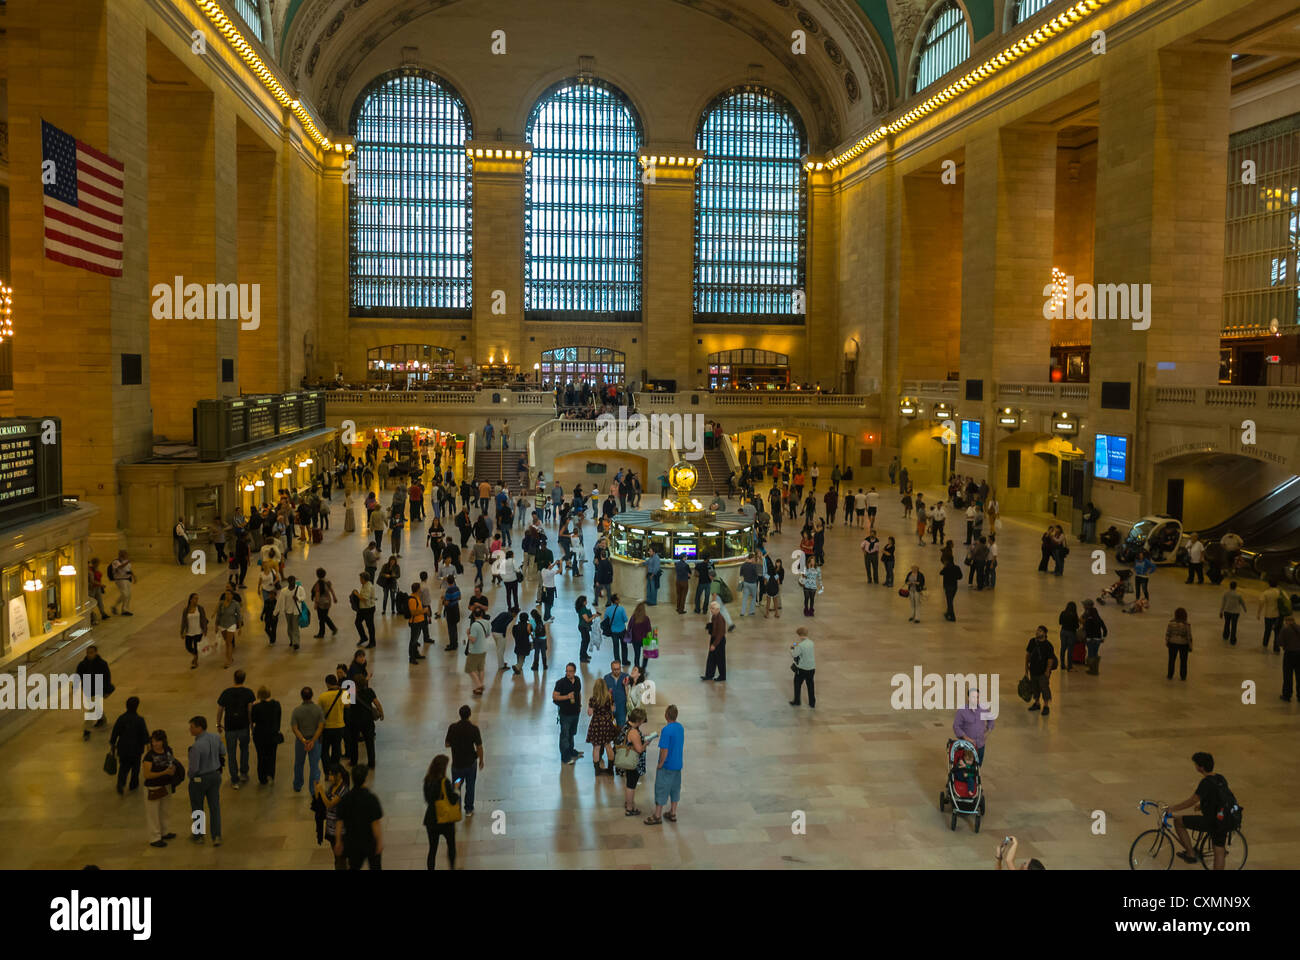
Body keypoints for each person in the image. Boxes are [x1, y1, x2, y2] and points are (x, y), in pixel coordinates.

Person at [1164, 752, 1234, 870]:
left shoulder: (1206, 782)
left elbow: (1192, 800)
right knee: (1219, 850)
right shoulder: (1220, 778)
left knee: (1179, 822)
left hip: (1212, 821)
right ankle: (1192, 852)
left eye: (1195, 764)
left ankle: (1190, 854)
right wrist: (1202, 806)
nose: (1195, 766)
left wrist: (1173, 808)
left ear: (1200, 767)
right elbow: (1220, 798)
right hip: (1224, 819)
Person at [334, 763, 383, 870]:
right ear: (365, 779)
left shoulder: (346, 799)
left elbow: (339, 822)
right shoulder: (371, 798)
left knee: (354, 866)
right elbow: (375, 823)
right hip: (369, 842)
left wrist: (338, 841)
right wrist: (379, 841)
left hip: (352, 842)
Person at [186, 716, 226, 846]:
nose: (190, 730)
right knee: (214, 807)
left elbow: (194, 768)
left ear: (199, 728)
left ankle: (198, 836)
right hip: (215, 776)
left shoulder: (196, 747)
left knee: (198, 807)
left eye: (192, 727)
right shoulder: (215, 737)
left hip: (200, 779)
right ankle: (217, 836)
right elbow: (223, 751)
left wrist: (189, 776)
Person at [644, 704, 684, 826]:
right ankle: (672, 812)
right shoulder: (680, 727)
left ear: (666, 715)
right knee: (675, 789)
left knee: (661, 788)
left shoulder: (666, 730)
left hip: (667, 765)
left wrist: (660, 764)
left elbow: (664, 750)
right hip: (678, 765)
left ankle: (657, 815)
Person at [216, 670, 255, 789]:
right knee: (244, 750)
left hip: (230, 727)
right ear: (244, 678)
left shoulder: (226, 692)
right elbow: (250, 710)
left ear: (234, 678)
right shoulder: (248, 693)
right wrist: (251, 724)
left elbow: (220, 709)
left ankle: (234, 780)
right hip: (243, 726)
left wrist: (218, 724)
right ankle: (244, 773)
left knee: (231, 753)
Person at [142, 730, 179, 848]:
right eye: (153, 741)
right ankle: (155, 838)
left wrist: (173, 770)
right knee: (153, 813)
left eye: (157, 741)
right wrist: (164, 772)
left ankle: (165, 831)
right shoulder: (148, 757)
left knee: (165, 810)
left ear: (163, 741)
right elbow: (147, 775)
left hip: (166, 785)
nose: (155, 744)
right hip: (153, 787)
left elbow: (172, 762)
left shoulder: (168, 750)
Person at [445, 705, 484, 816]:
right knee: (470, 786)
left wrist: (456, 744)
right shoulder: (474, 729)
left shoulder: (453, 727)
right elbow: (479, 747)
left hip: (457, 766)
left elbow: (447, 744)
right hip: (470, 765)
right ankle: (468, 809)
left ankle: (456, 808)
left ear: (459, 714)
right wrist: (481, 760)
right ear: (469, 715)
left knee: (457, 786)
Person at [423, 754, 460, 870]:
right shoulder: (445, 782)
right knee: (451, 846)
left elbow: (427, 799)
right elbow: (453, 799)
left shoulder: (427, 780)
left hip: (431, 819)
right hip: (445, 820)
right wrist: (456, 789)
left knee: (432, 849)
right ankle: (452, 867)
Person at [109, 696, 149, 795]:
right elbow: (144, 734)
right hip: (136, 750)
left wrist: (113, 743)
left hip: (123, 748)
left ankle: (121, 783)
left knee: (123, 767)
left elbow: (115, 733)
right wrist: (147, 743)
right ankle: (133, 784)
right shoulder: (139, 720)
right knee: (135, 768)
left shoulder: (121, 718)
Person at [291, 686, 325, 795]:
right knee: (314, 765)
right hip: (315, 741)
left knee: (299, 764)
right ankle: (313, 789)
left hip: (301, 742)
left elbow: (294, 728)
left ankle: (297, 785)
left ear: (301, 696)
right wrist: (312, 741)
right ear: (312, 695)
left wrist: (303, 740)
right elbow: (320, 727)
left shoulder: (297, 711)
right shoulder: (318, 709)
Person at [315, 764, 350, 868]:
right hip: (331, 829)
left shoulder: (343, 789)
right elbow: (323, 801)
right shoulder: (332, 787)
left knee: (341, 860)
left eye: (331, 775)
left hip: (340, 831)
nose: (329, 777)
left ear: (338, 775)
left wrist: (321, 791)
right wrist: (317, 791)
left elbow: (329, 804)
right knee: (337, 858)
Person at [346, 674, 383, 768]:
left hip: (354, 721)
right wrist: (381, 713)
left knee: (353, 742)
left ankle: (354, 761)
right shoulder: (369, 691)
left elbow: (346, 705)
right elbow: (377, 703)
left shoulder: (352, 693)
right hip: (368, 721)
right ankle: (371, 763)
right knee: (370, 742)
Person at [76, 645, 113, 740]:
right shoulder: (83, 664)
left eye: (91, 652)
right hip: (88, 690)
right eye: (88, 653)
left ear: (96, 652)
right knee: (95, 706)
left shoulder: (102, 664)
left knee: (91, 709)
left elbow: (107, 677)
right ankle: (102, 719)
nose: (89, 655)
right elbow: (78, 676)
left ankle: (86, 729)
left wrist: (107, 690)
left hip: (98, 690)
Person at [618, 708, 650, 817]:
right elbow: (639, 749)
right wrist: (646, 743)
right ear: (638, 720)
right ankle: (630, 808)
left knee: (629, 783)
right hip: (633, 763)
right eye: (642, 720)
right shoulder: (634, 732)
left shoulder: (627, 725)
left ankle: (628, 803)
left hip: (628, 761)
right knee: (631, 785)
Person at [586, 676, 619, 776]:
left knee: (596, 747)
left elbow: (589, 713)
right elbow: (613, 710)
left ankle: (597, 770)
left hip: (597, 724)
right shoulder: (609, 697)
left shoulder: (593, 699)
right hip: (607, 723)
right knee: (608, 746)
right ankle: (610, 769)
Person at [552, 663, 584, 765]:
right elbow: (555, 697)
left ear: (574, 672)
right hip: (565, 714)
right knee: (565, 735)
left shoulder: (577, 680)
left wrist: (579, 704)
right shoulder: (561, 683)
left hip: (575, 712)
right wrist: (567, 696)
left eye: (570, 671)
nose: (568, 673)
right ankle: (565, 757)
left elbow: (579, 693)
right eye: (567, 671)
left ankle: (571, 751)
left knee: (572, 733)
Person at [250, 686, 281, 785]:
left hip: (260, 735)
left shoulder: (256, 707)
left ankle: (262, 777)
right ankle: (271, 773)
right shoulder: (276, 704)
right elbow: (279, 718)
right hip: (273, 734)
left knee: (261, 755)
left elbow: (253, 720)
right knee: (272, 754)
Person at [952, 689, 993, 764]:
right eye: (973, 697)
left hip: (980, 745)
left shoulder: (983, 709)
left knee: (978, 767)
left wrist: (988, 731)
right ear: (969, 698)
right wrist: (966, 738)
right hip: (967, 747)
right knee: (967, 769)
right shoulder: (962, 711)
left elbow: (991, 719)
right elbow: (956, 726)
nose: (976, 699)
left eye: (977, 697)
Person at [1025, 625, 1057, 716]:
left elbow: (1050, 659)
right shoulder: (1032, 642)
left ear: (1045, 633)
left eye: (1040, 631)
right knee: (1035, 687)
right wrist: (1026, 668)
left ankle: (1046, 706)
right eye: (1037, 630)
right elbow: (1027, 655)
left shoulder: (1048, 645)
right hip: (1033, 670)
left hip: (1043, 672)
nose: (1037, 632)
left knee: (1044, 688)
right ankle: (1037, 703)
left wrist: (1047, 671)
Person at [318, 675, 348, 765]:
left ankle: (327, 770)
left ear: (327, 684)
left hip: (327, 727)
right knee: (336, 748)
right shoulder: (344, 693)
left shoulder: (322, 696)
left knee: (325, 750)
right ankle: (335, 769)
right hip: (339, 726)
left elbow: (319, 712)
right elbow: (348, 705)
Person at [214, 585, 242, 669]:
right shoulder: (221, 604)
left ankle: (228, 660)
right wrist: (216, 625)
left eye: (229, 594)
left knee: (228, 643)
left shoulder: (235, 604)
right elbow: (218, 615)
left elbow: (239, 616)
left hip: (231, 625)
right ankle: (230, 658)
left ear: (232, 596)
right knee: (226, 641)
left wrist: (240, 628)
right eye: (226, 594)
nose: (227, 596)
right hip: (222, 624)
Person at [465, 608, 491, 694]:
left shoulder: (474, 625)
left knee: (469, 669)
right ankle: (479, 687)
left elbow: (473, 640)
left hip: (475, 650)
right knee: (481, 668)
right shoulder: (487, 622)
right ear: (482, 614)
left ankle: (479, 685)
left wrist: (468, 634)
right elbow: (487, 635)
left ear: (473, 615)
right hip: (483, 649)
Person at [179, 593, 208, 670]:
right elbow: (183, 621)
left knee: (196, 647)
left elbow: (204, 619)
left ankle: (195, 662)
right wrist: (182, 632)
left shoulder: (200, 608)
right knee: (188, 647)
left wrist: (205, 630)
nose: (196, 600)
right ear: (191, 599)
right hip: (189, 632)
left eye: (197, 598)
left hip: (198, 631)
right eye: (195, 598)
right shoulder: (186, 610)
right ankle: (195, 656)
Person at [1258, 578, 1289, 651]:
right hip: (1278, 616)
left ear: (1269, 584)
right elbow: (1287, 600)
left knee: (1267, 631)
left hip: (1268, 615)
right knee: (1277, 632)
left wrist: (1258, 613)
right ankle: (1276, 647)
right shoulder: (1281, 592)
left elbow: (1261, 602)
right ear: (1277, 584)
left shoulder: (1266, 592)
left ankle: (1265, 644)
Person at [789, 627, 816, 708]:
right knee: (810, 685)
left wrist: (791, 649)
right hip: (811, 667)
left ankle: (797, 701)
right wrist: (797, 645)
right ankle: (812, 703)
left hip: (802, 668)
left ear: (800, 635)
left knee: (797, 684)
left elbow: (794, 654)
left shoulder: (800, 645)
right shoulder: (811, 642)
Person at [1165, 606, 1193, 681]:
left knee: (1171, 660)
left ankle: (1170, 675)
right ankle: (1183, 676)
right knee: (1183, 661)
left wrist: (1167, 642)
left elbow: (1168, 633)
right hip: (1183, 644)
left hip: (1172, 643)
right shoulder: (1187, 625)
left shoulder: (1171, 623)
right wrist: (1190, 647)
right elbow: (1189, 636)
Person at [702, 599, 727, 682]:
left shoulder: (720, 619)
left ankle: (722, 676)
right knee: (711, 658)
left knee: (720, 659)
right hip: (714, 638)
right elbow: (714, 628)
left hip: (719, 641)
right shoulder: (714, 616)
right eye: (711, 608)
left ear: (717, 609)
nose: (711, 610)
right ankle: (709, 675)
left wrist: (714, 645)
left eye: (712, 608)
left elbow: (720, 633)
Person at [1081, 597, 1107, 674]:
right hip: (1098, 639)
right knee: (1095, 654)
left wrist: (1085, 636)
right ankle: (1095, 669)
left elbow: (1087, 628)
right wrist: (1104, 635)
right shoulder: (1097, 616)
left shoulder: (1089, 617)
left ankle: (1092, 670)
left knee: (1091, 655)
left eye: (1084, 605)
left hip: (1091, 639)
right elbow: (1104, 627)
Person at [1217, 580, 1247, 646]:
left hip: (1227, 611)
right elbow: (1242, 602)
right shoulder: (1238, 595)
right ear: (1235, 587)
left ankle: (1225, 635)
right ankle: (1232, 639)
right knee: (1234, 625)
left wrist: (1221, 611)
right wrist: (1245, 609)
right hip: (1235, 612)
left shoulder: (1226, 593)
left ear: (1230, 586)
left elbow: (1223, 603)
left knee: (1227, 623)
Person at [352, 572, 377, 648]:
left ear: (364, 579)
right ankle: (363, 637)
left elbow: (364, 599)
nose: (360, 580)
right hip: (363, 609)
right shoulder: (364, 585)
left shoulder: (368, 586)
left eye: (360, 578)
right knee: (357, 622)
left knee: (370, 626)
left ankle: (372, 642)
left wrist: (356, 594)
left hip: (368, 609)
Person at [311, 568, 338, 639]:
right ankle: (332, 628)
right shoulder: (327, 581)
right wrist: (334, 598)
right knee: (324, 616)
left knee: (322, 619)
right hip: (328, 602)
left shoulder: (318, 584)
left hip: (321, 603)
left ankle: (322, 633)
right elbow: (331, 590)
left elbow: (317, 594)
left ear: (317, 575)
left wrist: (316, 604)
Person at [1280, 612, 1300, 701]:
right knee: (1299, 675)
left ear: (1287, 621)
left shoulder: (1285, 629)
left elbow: (1280, 642)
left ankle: (1287, 695)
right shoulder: (1299, 628)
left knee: (1288, 675)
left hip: (1289, 654)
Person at [1058, 601, 1080, 672]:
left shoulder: (1063, 613)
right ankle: (1069, 666)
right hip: (1071, 633)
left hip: (1063, 632)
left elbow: (1060, 622)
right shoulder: (1074, 615)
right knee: (1070, 650)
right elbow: (1077, 626)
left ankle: (1062, 664)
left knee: (1063, 648)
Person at [940, 556, 961, 622]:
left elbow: (941, 573)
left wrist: (944, 567)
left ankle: (952, 616)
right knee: (950, 600)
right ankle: (948, 613)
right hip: (954, 586)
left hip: (947, 586)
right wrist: (955, 577)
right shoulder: (957, 567)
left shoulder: (946, 568)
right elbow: (960, 576)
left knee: (949, 602)